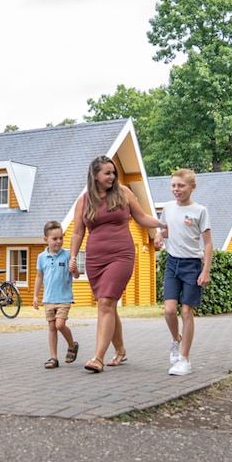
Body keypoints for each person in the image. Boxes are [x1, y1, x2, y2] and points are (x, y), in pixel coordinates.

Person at [69, 155, 165, 373]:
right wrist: (73, 258)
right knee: (108, 306)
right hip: (95, 259)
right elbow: (76, 232)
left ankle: (98, 358)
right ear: (95, 175)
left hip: (121, 255)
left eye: (113, 172)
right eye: (107, 173)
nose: (112, 176)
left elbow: (142, 218)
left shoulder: (123, 193)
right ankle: (120, 350)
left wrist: (162, 223)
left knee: (105, 304)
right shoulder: (84, 200)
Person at [154, 169, 213, 376]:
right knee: (169, 310)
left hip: (192, 265)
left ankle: (184, 359)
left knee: (187, 312)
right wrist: (159, 235)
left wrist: (205, 270)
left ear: (192, 187)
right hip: (172, 264)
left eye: (181, 186)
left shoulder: (200, 211)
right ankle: (175, 340)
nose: (176, 190)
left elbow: (207, 244)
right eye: (173, 186)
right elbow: (167, 230)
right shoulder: (168, 208)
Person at [32, 221, 79, 369]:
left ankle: (72, 345)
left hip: (64, 298)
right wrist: (35, 296)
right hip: (48, 299)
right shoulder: (41, 257)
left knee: (60, 325)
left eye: (61, 238)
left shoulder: (67, 255)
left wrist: (74, 269)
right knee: (52, 327)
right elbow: (39, 277)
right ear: (45, 239)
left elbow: (76, 275)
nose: (58, 241)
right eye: (54, 239)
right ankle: (53, 358)